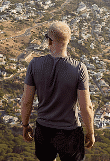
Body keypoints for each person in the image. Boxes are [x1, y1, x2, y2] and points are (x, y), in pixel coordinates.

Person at [21, 21, 95, 161]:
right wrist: (90, 132)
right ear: (68, 41)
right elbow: (86, 107)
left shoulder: (34, 64)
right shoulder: (79, 69)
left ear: (49, 41)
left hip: (43, 130)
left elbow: (26, 101)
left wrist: (25, 125)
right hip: (70, 132)